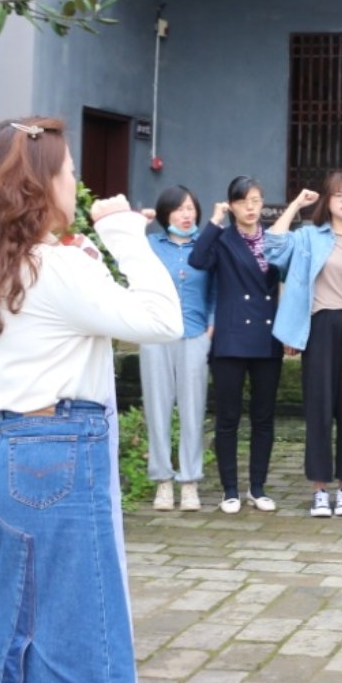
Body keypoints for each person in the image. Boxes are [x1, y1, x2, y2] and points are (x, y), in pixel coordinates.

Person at [0, 117, 182, 683]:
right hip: (54, 459)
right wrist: (124, 234)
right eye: (70, 172)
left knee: (4, 641)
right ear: (38, 185)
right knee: (52, 652)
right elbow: (164, 319)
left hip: (1, 451)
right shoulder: (55, 268)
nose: (78, 184)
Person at [265, 172, 342, 520]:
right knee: (319, 409)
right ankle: (319, 490)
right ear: (327, 201)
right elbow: (272, 247)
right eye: (338, 195)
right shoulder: (308, 237)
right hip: (320, 327)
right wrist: (296, 205)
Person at [190, 176, 286, 513]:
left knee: (263, 417)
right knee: (228, 417)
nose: (251, 207)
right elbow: (197, 260)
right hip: (231, 338)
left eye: (256, 200)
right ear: (231, 205)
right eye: (244, 201)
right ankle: (229, 489)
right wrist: (214, 221)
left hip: (267, 337)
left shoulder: (274, 238)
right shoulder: (222, 239)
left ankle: (257, 487)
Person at [140, 184, 216, 513]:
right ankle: (162, 481)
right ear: (165, 214)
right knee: (157, 408)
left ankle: (189, 482)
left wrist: (211, 325)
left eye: (191, 208)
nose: (186, 215)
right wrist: (138, 225)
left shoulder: (207, 245)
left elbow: (217, 289)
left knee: (193, 409)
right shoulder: (150, 245)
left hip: (196, 334)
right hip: (156, 335)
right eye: (179, 209)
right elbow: (123, 263)